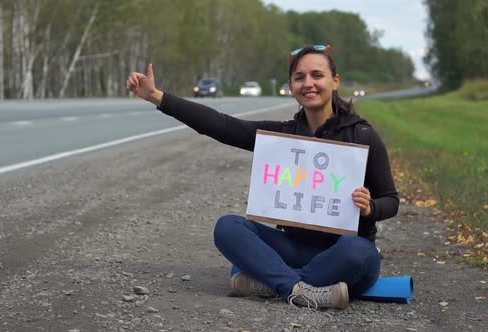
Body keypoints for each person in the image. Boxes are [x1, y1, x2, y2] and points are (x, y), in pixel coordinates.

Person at [125, 44, 399, 310]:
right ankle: (299, 290)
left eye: (317, 75)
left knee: (359, 252)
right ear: (291, 87)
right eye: (299, 77)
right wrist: (156, 97)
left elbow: (391, 200)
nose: (308, 84)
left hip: (342, 253)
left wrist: (370, 207)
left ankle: (272, 281)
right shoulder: (282, 136)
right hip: (293, 249)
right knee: (228, 227)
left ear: (335, 81)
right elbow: (222, 125)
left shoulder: (362, 136)